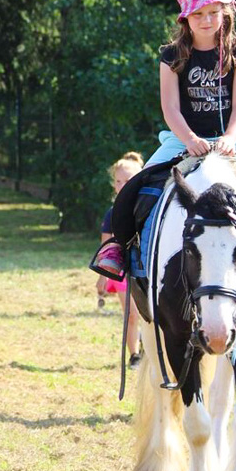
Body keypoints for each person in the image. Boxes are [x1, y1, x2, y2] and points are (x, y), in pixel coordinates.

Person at [94, 0, 236, 275]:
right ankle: (119, 246)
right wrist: (190, 139)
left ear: (224, 12)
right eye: (198, 14)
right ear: (185, 19)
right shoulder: (171, 55)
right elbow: (169, 107)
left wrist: (231, 138)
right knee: (136, 187)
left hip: (233, 137)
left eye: (213, 12)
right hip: (182, 138)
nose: (207, 20)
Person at [96, 152, 144, 369]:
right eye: (118, 181)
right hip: (123, 272)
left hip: (146, 270)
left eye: (128, 180)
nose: (122, 185)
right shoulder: (112, 214)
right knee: (131, 315)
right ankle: (135, 355)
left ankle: (149, 347)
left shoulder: (149, 209)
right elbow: (106, 249)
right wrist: (101, 278)